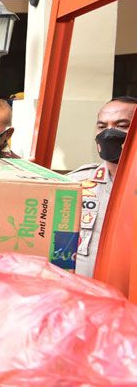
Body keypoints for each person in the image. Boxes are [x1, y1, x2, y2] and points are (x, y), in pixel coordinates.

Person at [67, 96, 136, 278]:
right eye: (102, 126)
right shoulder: (75, 184)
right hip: (84, 296)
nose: (109, 133)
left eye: (122, 125)